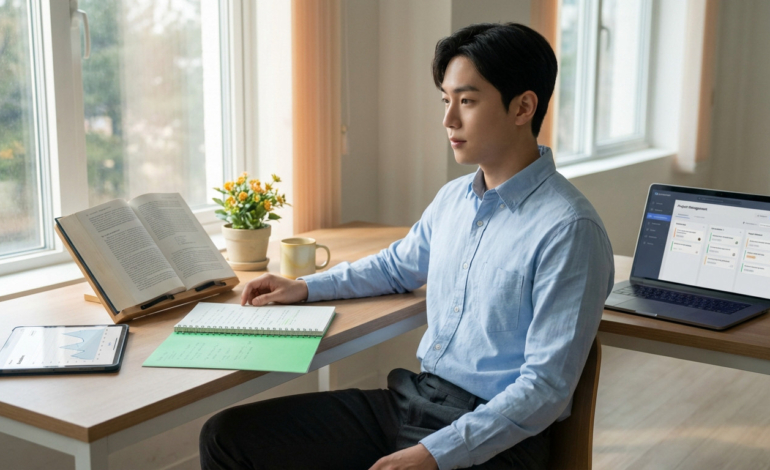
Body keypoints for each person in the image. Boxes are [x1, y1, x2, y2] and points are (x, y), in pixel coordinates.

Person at [200, 22, 614, 470]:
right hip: (416, 400)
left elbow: (545, 389)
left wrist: (435, 455)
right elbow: (396, 267)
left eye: (467, 101)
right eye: (446, 100)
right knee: (226, 437)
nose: (449, 120)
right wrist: (305, 288)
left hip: (497, 436)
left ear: (523, 107)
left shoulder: (570, 229)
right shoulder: (454, 199)